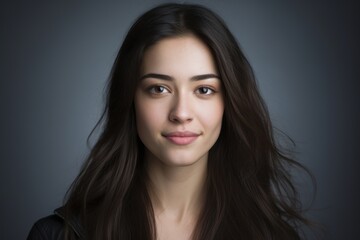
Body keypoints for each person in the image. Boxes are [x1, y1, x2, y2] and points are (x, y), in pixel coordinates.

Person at [27, 3, 313, 240]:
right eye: (159, 89)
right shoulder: (60, 235)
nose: (181, 112)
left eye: (204, 90)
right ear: (129, 99)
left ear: (230, 102)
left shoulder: (272, 235)